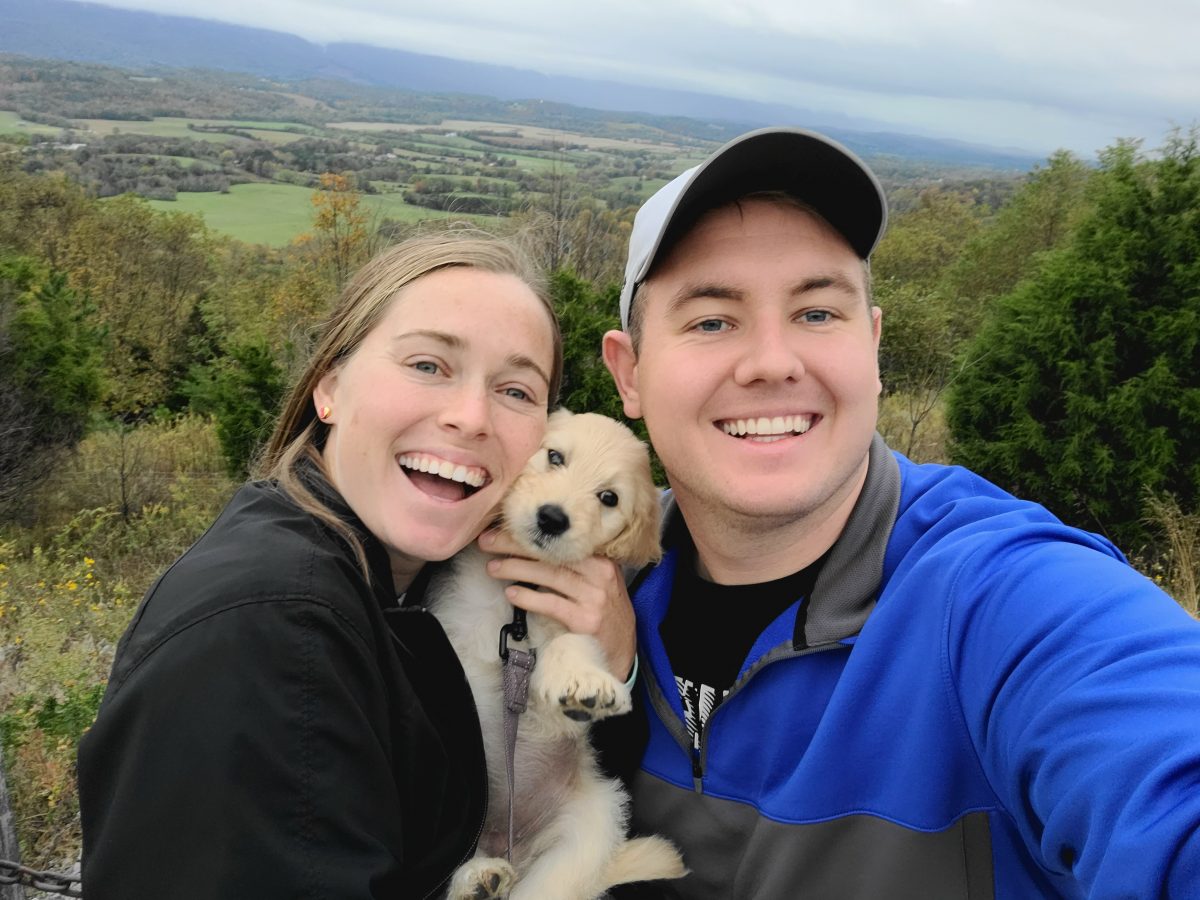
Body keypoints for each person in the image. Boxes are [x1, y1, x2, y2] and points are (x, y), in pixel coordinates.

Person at [598, 127, 1200, 898]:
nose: (775, 361)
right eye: (713, 320)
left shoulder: (994, 598)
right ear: (630, 372)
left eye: (818, 313)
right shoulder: (587, 585)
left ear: (873, 348)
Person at [76, 231, 637, 900]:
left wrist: (610, 662)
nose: (470, 417)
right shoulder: (273, 634)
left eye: (516, 390)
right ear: (330, 388)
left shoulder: (397, 585)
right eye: (429, 365)